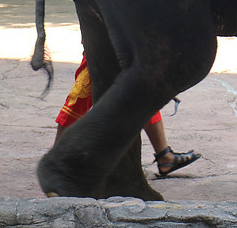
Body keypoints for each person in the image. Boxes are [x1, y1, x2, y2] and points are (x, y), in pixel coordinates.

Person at [55, 54, 201, 177]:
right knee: (82, 92)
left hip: (126, 37)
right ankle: (57, 162)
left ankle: (164, 156)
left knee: (142, 87)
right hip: (103, 37)